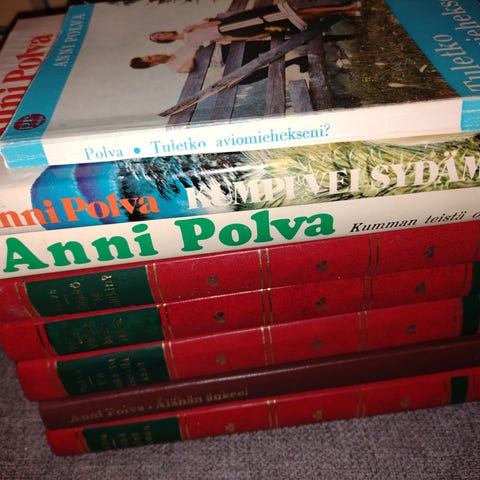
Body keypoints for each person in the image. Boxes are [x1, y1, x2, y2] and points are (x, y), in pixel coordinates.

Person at [130, 1, 361, 73]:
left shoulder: (188, 33)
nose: (154, 56)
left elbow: (214, 24)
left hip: (233, 24)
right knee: (290, 21)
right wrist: (196, 50)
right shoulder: (182, 54)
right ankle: (344, 12)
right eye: (150, 59)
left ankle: (346, 8)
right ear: (151, 65)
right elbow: (190, 66)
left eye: (150, 54)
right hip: (236, 32)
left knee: (289, 12)